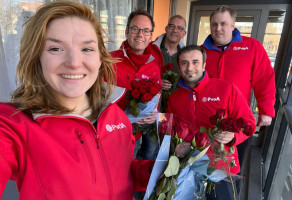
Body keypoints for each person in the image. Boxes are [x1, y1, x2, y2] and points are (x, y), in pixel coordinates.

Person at [0, 1, 153, 199]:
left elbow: (120, 169)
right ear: (37, 57)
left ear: (100, 58)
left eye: (87, 49)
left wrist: (154, 173)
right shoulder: (15, 125)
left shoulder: (114, 115)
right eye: (55, 48)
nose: (73, 63)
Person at [166, 45, 256, 199]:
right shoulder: (174, 98)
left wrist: (233, 136)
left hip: (221, 168)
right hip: (188, 166)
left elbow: (249, 123)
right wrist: (175, 147)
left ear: (204, 64)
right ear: (179, 67)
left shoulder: (226, 89)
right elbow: (169, 130)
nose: (190, 68)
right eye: (184, 63)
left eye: (195, 62)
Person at [201, 5, 276, 170]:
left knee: (233, 169)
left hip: (238, 124)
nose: (218, 28)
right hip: (207, 121)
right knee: (206, 167)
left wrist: (266, 110)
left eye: (223, 24)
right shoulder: (201, 52)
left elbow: (264, 79)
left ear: (233, 25)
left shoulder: (252, 47)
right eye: (214, 24)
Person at [110, 8, 163, 161]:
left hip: (138, 134)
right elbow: (98, 101)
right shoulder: (109, 61)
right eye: (135, 29)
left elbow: (156, 96)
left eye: (146, 31)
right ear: (127, 31)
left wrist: (154, 114)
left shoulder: (154, 64)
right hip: (112, 134)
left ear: (151, 36)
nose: (140, 35)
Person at [153, 15, 186, 90]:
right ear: (166, 29)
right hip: (152, 99)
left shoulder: (185, 56)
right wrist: (156, 82)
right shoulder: (151, 49)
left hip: (175, 100)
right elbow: (140, 75)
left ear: (184, 33)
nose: (175, 30)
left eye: (179, 28)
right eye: (172, 26)